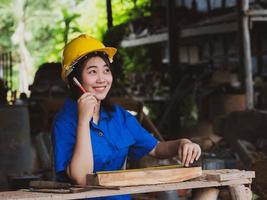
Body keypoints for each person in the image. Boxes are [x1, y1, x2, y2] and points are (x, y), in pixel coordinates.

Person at [52, 34, 201, 200]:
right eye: (92, 71)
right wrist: (83, 121)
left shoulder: (118, 116)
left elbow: (156, 149)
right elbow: (82, 178)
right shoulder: (64, 123)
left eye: (106, 70)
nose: (102, 79)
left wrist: (183, 143)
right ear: (74, 80)